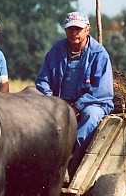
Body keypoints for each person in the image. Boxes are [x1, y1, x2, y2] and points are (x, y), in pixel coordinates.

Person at [35, 11, 114, 174]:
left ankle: (68, 155)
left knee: (91, 116)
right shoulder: (56, 50)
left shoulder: (99, 54)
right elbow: (43, 80)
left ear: (87, 30)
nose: (74, 33)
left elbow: (101, 91)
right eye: (70, 29)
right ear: (65, 31)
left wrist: (76, 107)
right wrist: (51, 101)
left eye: (78, 29)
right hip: (59, 103)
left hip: (93, 103)